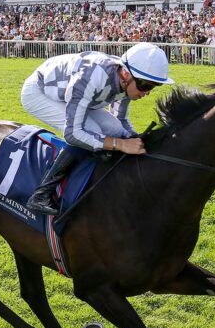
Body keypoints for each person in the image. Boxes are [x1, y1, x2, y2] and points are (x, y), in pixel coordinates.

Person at [20, 42, 173, 215]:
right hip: (39, 92)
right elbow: (72, 134)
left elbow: (120, 120)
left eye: (153, 87)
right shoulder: (92, 78)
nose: (147, 92)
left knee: (114, 128)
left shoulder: (127, 80)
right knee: (89, 129)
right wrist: (120, 145)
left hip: (71, 94)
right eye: (145, 85)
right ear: (125, 74)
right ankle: (41, 194)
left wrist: (136, 138)